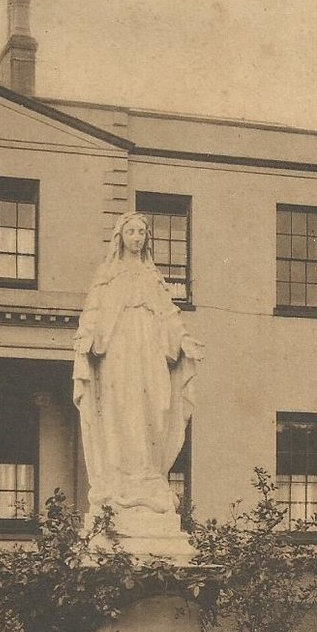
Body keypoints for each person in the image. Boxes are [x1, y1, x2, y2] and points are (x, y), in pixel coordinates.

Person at [73, 211, 204, 534]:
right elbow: (93, 312)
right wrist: (86, 336)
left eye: (141, 233)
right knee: (120, 409)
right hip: (118, 348)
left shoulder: (152, 276)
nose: (136, 237)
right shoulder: (109, 273)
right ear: (121, 236)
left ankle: (147, 475)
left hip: (148, 349)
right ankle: (120, 479)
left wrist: (185, 340)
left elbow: (170, 315)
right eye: (131, 232)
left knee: (153, 410)